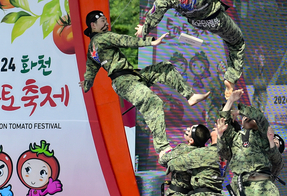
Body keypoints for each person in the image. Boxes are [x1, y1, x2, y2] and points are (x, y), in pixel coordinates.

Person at [80, 10, 209, 156]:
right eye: (102, 20)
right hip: (124, 81)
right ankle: (162, 148)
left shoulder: (92, 48)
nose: (106, 22)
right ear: (93, 25)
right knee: (153, 102)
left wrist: (86, 84)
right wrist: (151, 42)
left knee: (164, 68)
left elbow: (90, 71)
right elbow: (124, 40)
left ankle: (190, 95)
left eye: (105, 20)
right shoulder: (102, 38)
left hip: (132, 76)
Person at [136, 0, 254, 85]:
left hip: (197, 21)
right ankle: (231, 78)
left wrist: (143, 30)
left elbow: (153, 15)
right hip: (216, 19)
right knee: (237, 43)